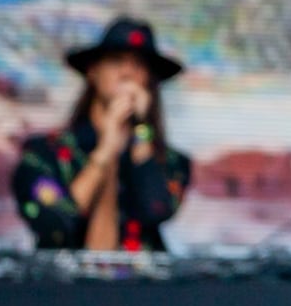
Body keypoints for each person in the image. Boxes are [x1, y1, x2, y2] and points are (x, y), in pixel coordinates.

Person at [11, 16, 190, 255]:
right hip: (63, 289)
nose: (128, 73)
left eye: (139, 65)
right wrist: (105, 152)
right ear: (93, 71)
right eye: (117, 61)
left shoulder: (171, 162)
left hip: (139, 289)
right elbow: (54, 225)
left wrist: (140, 132)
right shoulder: (44, 153)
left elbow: (155, 210)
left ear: (149, 80)